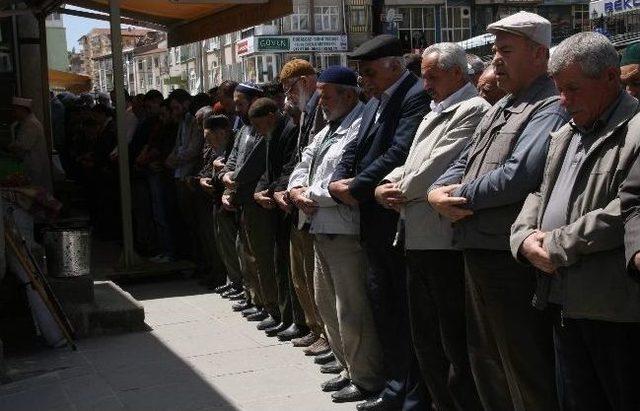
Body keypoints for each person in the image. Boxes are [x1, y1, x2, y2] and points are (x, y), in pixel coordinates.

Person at [428, 12, 568, 411]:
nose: (496, 61)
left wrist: (459, 197)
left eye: (506, 51)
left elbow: (518, 175)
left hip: (508, 260)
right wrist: (439, 191)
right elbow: (466, 160)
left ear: (539, 54)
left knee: (523, 367)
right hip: (477, 249)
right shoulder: (501, 105)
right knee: (485, 361)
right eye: (494, 52)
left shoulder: (548, 106)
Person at [511, 32, 640, 411]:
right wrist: (521, 239)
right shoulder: (565, 133)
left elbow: (626, 210)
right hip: (563, 302)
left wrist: (556, 244)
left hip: (614, 309)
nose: (563, 101)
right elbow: (539, 192)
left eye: (573, 88)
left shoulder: (635, 133)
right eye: (558, 89)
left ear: (611, 78)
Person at [375, 43, 489, 411]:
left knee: (451, 340)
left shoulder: (473, 111)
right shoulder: (434, 111)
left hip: (443, 241)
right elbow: (410, 162)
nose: (425, 85)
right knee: (425, 339)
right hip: (417, 235)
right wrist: (385, 185)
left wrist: (397, 189)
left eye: (432, 77)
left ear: (457, 74)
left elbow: (432, 170)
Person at [329, 34, 430, 408]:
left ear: (393, 65)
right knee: (382, 308)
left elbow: (398, 151)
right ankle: (393, 386)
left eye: (369, 72)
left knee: (401, 313)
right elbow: (357, 145)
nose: (363, 81)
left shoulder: (414, 95)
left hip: (393, 223)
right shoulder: (376, 101)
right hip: (371, 225)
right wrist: (339, 177)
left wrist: (356, 185)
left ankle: (408, 393)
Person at [288, 66, 384, 402]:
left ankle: (366, 377)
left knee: (351, 310)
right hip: (318, 226)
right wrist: (296, 189)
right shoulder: (327, 128)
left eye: (326, 96)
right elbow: (305, 161)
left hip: (344, 230)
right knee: (326, 305)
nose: (322, 103)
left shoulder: (361, 126)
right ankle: (347, 369)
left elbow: (345, 182)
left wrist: (308, 195)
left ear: (346, 94)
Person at [277, 59, 331, 355]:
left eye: (290, 87)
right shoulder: (304, 112)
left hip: (315, 203)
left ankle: (324, 333)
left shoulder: (321, 110)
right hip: (299, 199)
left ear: (305, 81)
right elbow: (301, 157)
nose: (288, 94)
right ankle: (314, 328)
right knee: (301, 275)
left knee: (315, 274)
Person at [9, 97, 53, 192]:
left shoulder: (31, 124)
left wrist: (13, 146)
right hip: (31, 164)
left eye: (15, 110)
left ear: (22, 110)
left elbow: (24, 145)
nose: (14, 113)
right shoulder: (24, 123)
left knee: (36, 192)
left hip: (35, 164)